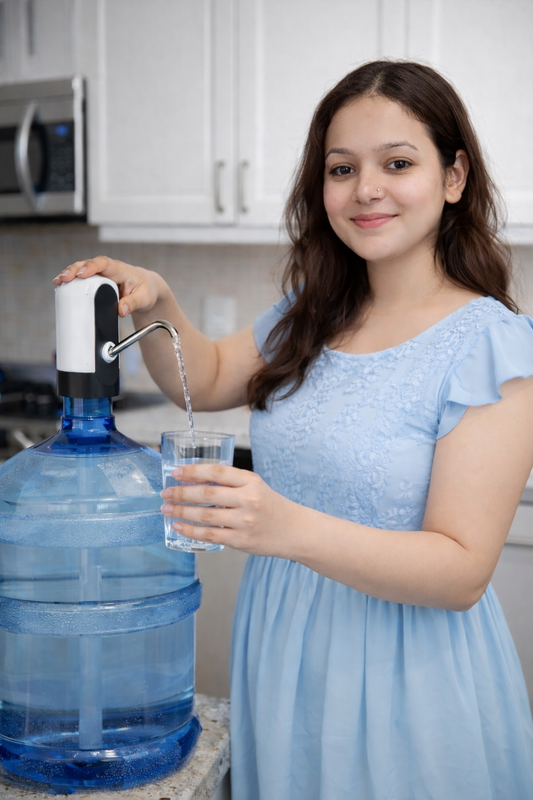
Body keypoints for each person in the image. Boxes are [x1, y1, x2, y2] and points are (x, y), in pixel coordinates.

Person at [54, 60, 533, 800]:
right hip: (284, 651)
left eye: (397, 163)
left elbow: (461, 571)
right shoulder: (312, 311)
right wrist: (157, 303)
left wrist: (282, 526)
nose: (365, 189)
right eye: (342, 169)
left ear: (453, 176)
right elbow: (207, 376)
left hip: (407, 680)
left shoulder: (492, 345)